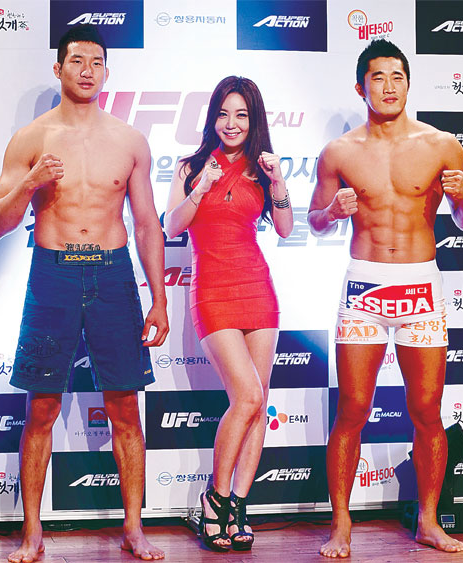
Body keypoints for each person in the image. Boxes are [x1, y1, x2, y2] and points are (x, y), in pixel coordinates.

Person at [0, 25, 168, 562]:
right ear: (58, 68)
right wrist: (30, 182)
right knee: (41, 408)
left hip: (113, 275)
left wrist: (159, 299)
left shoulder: (130, 141)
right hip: (54, 275)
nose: (87, 70)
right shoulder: (32, 139)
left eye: (96, 62)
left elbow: (147, 224)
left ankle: (134, 527)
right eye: (76, 61)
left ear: (106, 71)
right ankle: (32, 531)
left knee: (125, 407)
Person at [308, 39, 463, 558]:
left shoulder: (442, 145)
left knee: (427, 409)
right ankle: (342, 525)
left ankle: (428, 520)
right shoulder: (339, 152)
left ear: (408, 83)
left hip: (421, 288)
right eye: (378, 77)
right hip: (365, 287)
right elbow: (315, 222)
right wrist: (332, 213)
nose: (389, 86)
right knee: (353, 408)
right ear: (360, 86)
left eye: (397, 76)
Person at [165, 75, 293, 551]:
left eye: (241, 114)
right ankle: (214, 501)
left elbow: (285, 227)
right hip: (213, 290)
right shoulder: (190, 166)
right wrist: (200, 188)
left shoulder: (262, 169)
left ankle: (238, 506)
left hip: (258, 289)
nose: (231, 123)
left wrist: (278, 182)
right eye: (223, 113)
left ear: (253, 120)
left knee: (259, 402)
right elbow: (172, 225)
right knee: (246, 396)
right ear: (212, 118)